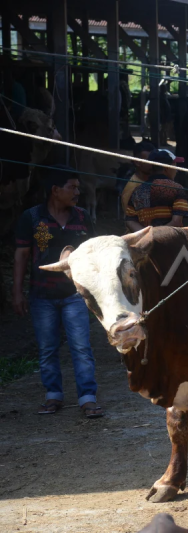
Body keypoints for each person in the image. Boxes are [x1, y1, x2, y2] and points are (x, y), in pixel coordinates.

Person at [13, 165, 102, 418]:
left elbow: (93, 254)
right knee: (47, 348)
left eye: (78, 186)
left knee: (81, 347)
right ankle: (53, 396)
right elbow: (21, 256)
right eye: (72, 187)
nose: (78, 191)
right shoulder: (31, 218)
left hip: (75, 295)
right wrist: (16, 292)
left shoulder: (83, 217)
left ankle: (87, 398)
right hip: (41, 296)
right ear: (55, 190)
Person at [125, 149, 188, 231]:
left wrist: (148, 235)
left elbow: (130, 221)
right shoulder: (177, 189)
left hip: (146, 242)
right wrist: (157, 235)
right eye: (175, 166)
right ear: (166, 168)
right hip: (170, 240)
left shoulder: (137, 191)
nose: (176, 171)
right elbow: (177, 222)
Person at [118, 141, 156, 214]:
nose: (154, 164)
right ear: (137, 162)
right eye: (149, 160)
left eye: (155, 160)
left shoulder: (155, 180)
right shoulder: (131, 189)